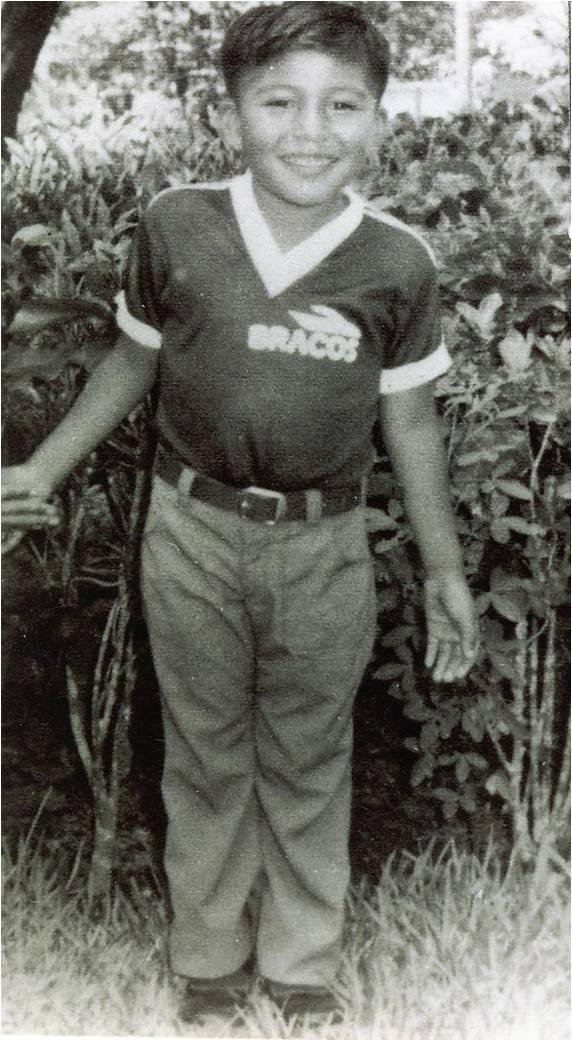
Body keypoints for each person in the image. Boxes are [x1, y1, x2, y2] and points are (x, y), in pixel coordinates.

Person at [2, 1, 478, 1025]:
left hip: (325, 544)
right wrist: (40, 470)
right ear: (230, 115)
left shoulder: (396, 261)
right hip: (191, 532)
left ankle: (302, 969)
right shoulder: (179, 224)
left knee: (309, 753)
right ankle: (209, 963)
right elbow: (131, 361)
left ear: (379, 120)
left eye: (342, 104)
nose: (310, 129)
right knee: (205, 748)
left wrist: (443, 569)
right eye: (278, 102)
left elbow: (411, 421)